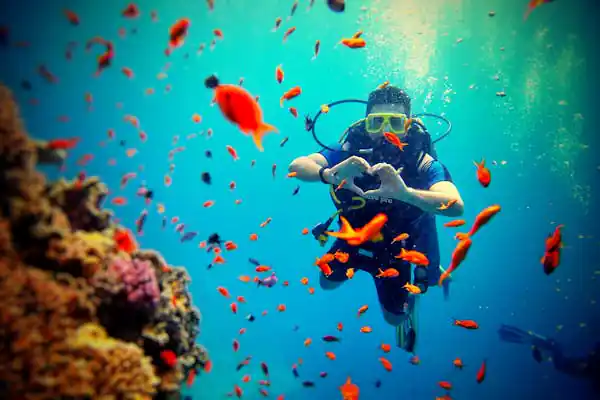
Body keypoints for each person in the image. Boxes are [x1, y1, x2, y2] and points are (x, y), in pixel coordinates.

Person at [288, 85, 464, 352]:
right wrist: (328, 174)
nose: (385, 132)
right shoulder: (349, 147)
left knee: (394, 316)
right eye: (376, 122)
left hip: (398, 250)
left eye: (395, 123)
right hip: (353, 239)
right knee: (325, 283)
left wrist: (406, 194)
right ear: (365, 123)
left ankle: (413, 297)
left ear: (407, 126)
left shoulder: (420, 158)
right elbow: (297, 165)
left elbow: (455, 205)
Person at [498, 324, 600, 391]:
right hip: (565, 363)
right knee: (553, 345)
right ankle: (509, 333)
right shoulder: (588, 368)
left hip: (563, 363)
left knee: (553, 345)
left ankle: (508, 333)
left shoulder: (588, 368)